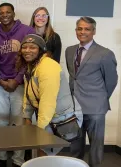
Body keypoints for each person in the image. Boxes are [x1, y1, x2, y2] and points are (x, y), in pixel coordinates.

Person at [18, 34, 83, 156]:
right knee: (41, 152)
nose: (27, 50)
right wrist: (27, 120)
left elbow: (47, 103)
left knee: (44, 153)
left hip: (61, 118)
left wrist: (39, 130)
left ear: (41, 50)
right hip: (48, 116)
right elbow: (29, 95)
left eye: (32, 47)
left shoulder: (48, 67)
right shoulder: (31, 67)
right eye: (24, 47)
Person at [66, 17, 118, 167]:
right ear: (76, 30)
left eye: (87, 29)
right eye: (80, 28)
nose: (83, 32)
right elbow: (73, 77)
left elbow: (111, 81)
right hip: (74, 107)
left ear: (94, 31)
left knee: (95, 147)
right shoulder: (70, 51)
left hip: (95, 108)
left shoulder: (105, 53)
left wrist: (100, 99)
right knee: (75, 145)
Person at [0, 2, 35, 167]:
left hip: (20, 85)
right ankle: (1, 158)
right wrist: (1, 81)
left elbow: (29, 59)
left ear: (13, 13)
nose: (4, 15)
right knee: (1, 123)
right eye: (1, 12)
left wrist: (16, 80)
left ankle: (18, 160)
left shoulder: (27, 31)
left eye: (7, 12)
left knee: (18, 124)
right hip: (0, 85)